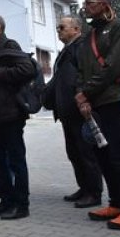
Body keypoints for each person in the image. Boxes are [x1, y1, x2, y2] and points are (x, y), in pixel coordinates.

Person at [75, 0, 120, 229]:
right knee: (101, 154)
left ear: (104, 3)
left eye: (90, 2)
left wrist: (86, 91)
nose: (85, 6)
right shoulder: (90, 34)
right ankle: (116, 203)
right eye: (85, 2)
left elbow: (113, 66)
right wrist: (81, 96)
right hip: (93, 102)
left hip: (112, 99)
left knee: (117, 155)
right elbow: (81, 70)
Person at [0, 15, 36, 220]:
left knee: (15, 161)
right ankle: (6, 201)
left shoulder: (9, 45)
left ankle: (21, 205)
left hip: (11, 115)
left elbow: (28, 69)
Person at [42, 16, 102, 208]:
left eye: (62, 27)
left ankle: (94, 193)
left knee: (86, 153)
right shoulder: (66, 49)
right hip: (66, 111)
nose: (58, 30)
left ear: (76, 29)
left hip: (78, 110)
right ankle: (84, 188)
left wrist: (83, 98)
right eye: (57, 27)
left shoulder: (82, 47)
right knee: (74, 153)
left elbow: (85, 76)